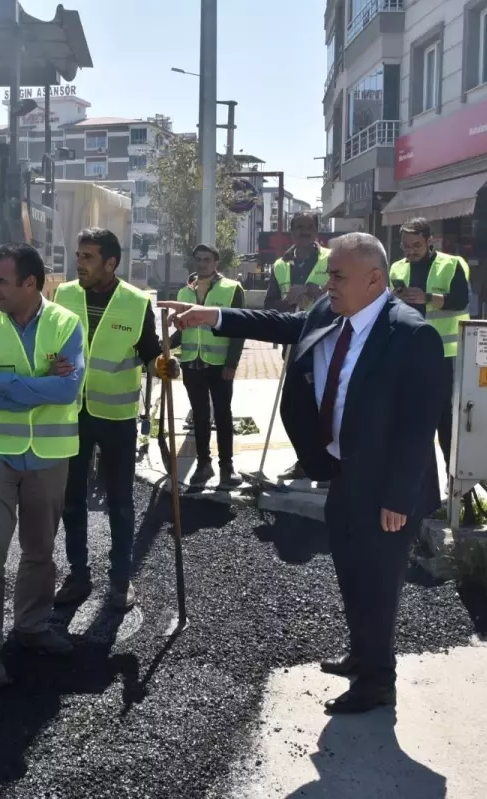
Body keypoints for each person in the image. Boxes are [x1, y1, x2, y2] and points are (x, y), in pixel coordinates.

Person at [160, 232, 445, 714]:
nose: (327, 283)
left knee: (378, 582)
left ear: (374, 279)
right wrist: (216, 316)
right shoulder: (332, 313)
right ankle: (362, 654)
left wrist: (398, 497)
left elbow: (419, 426)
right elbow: (283, 324)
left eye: (338, 275)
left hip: (388, 488)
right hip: (343, 472)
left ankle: (379, 681)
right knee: (352, 572)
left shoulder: (411, 334)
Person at [0, 242, 86, 688]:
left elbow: (67, 392)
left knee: (40, 552)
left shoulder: (66, 323)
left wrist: (2, 380)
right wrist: (33, 386)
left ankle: (31, 627)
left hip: (49, 456)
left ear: (29, 284)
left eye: (0, 280)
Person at [52, 228, 173, 611]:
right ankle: (78, 573)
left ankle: (120, 579)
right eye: (78, 255)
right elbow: (49, 344)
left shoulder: (136, 303)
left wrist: (164, 366)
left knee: (120, 501)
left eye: (88, 257)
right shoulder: (64, 295)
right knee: (71, 498)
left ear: (111, 262)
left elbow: (150, 354)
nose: (79, 263)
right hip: (72, 413)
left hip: (117, 417)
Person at [389, 218, 471, 466]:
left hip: (445, 353)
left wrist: (427, 298)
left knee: (445, 416)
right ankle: (419, 479)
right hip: (409, 352)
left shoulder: (452, 264)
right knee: (412, 416)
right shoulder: (397, 269)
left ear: (429, 241)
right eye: (406, 246)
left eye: (416, 245)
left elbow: (461, 300)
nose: (410, 251)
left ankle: (453, 474)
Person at [170, 244, 245, 489]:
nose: (202, 264)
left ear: (216, 262)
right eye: (198, 259)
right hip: (192, 363)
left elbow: (238, 329)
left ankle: (227, 467)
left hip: (220, 365)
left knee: (223, 415)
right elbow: (182, 331)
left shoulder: (232, 289)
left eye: (207, 259)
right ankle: (204, 464)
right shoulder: (184, 293)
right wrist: (165, 344)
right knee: (200, 417)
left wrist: (231, 363)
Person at [264, 210, 331, 481]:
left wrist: (321, 291)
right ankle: (305, 461)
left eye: (309, 227)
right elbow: (270, 306)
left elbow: (350, 289)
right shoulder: (281, 265)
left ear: (316, 231)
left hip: (328, 342)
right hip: (295, 344)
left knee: (325, 406)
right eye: (299, 227)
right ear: (291, 232)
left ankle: (328, 465)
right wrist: (288, 302)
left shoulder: (331, 258)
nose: (304, 232)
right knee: (293, 408)